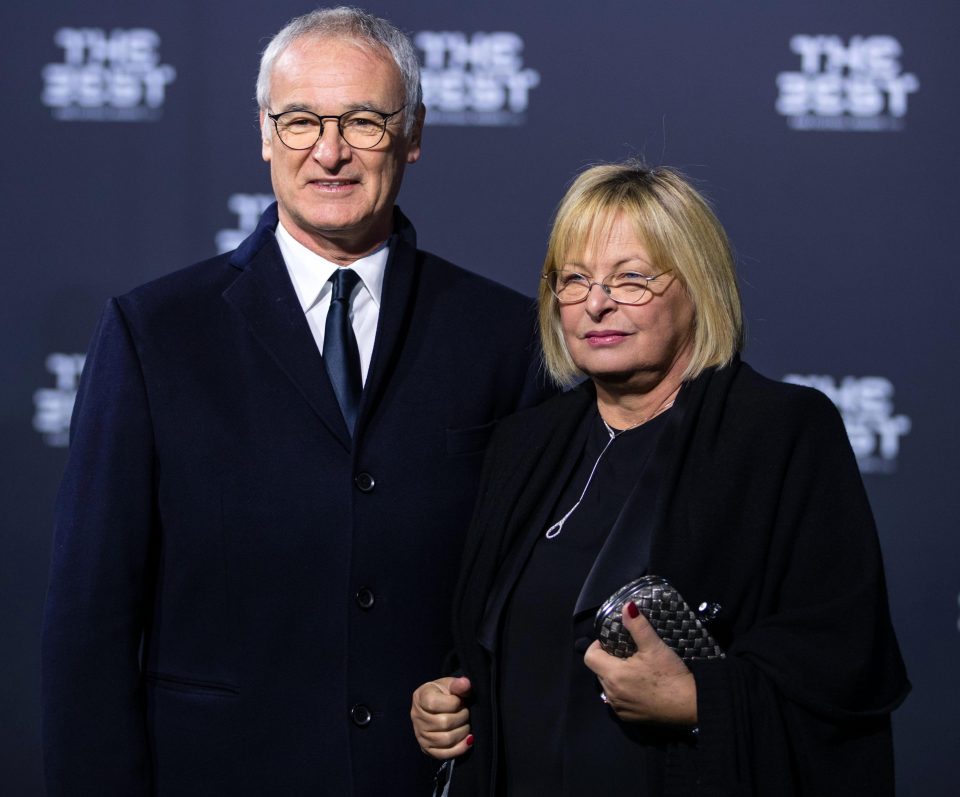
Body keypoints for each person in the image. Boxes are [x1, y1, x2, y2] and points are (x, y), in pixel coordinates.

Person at [41, 7, 552, 796]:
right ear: (265, 133)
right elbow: (91, 623)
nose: (330, 150)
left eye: (364, 121)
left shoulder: (504, 336)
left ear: (413, 133)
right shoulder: (154, 334)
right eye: (302, 119)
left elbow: (530, 602)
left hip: (427, 780)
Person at [411, 162, 909, 796]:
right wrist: (448, 701)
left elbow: (844, 666)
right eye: (575, 279)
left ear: (698, 286)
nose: (596, 302)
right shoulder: (524, 442)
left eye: (633, 279)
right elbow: (494, 643)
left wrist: (700, 699)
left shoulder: (779, 432)